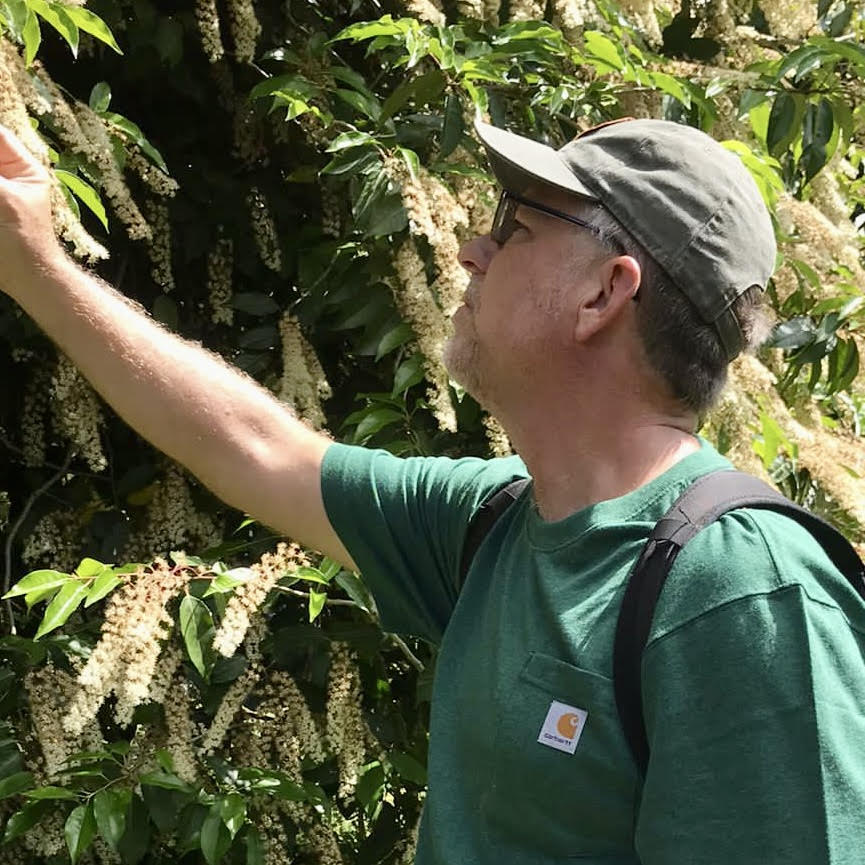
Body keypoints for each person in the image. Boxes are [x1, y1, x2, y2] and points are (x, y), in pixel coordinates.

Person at [1, 115, 864, 865]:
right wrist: (36, 264)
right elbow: (258, 448)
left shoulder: (741, 590)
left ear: (606, 291)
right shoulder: (491, 523)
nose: (469, 247)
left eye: (516, 226)